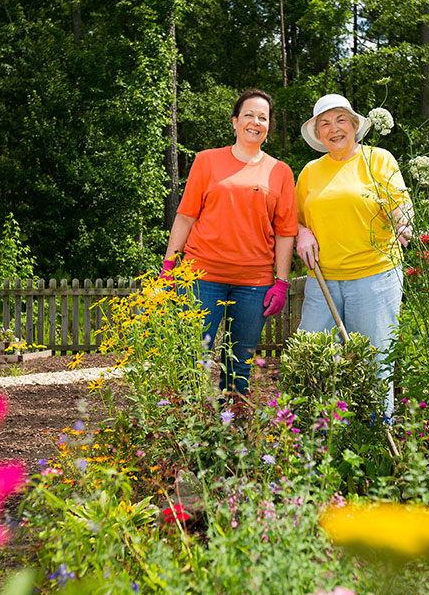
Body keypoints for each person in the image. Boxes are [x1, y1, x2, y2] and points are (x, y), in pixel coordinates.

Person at [161, 88, 297, 398]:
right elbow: (185, 217)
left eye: (263, 117)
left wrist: (282, 282)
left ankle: (232, 434)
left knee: (239, 365)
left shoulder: (280, 172)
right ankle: (186, 436)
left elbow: (285, 232)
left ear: (269, 126)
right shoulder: (207, 161)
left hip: (254, 284)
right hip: (201, 278)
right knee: (191, 360)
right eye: (248, 114)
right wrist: (169, 265)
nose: (255, 121)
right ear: (235, 121)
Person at [294, 93, 413, 416]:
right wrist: (301, 232)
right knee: (313, 361)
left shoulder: (378, 159)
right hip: (323, 282)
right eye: (325, 124)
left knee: (375, 366)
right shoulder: (309, 172)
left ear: (355, 125)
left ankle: (379, 444)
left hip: (374, 278)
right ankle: (317, 445)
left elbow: (400, 201)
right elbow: (296, 219)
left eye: (340, 120)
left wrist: (403, 222)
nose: (334, 129)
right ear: (318, 134)